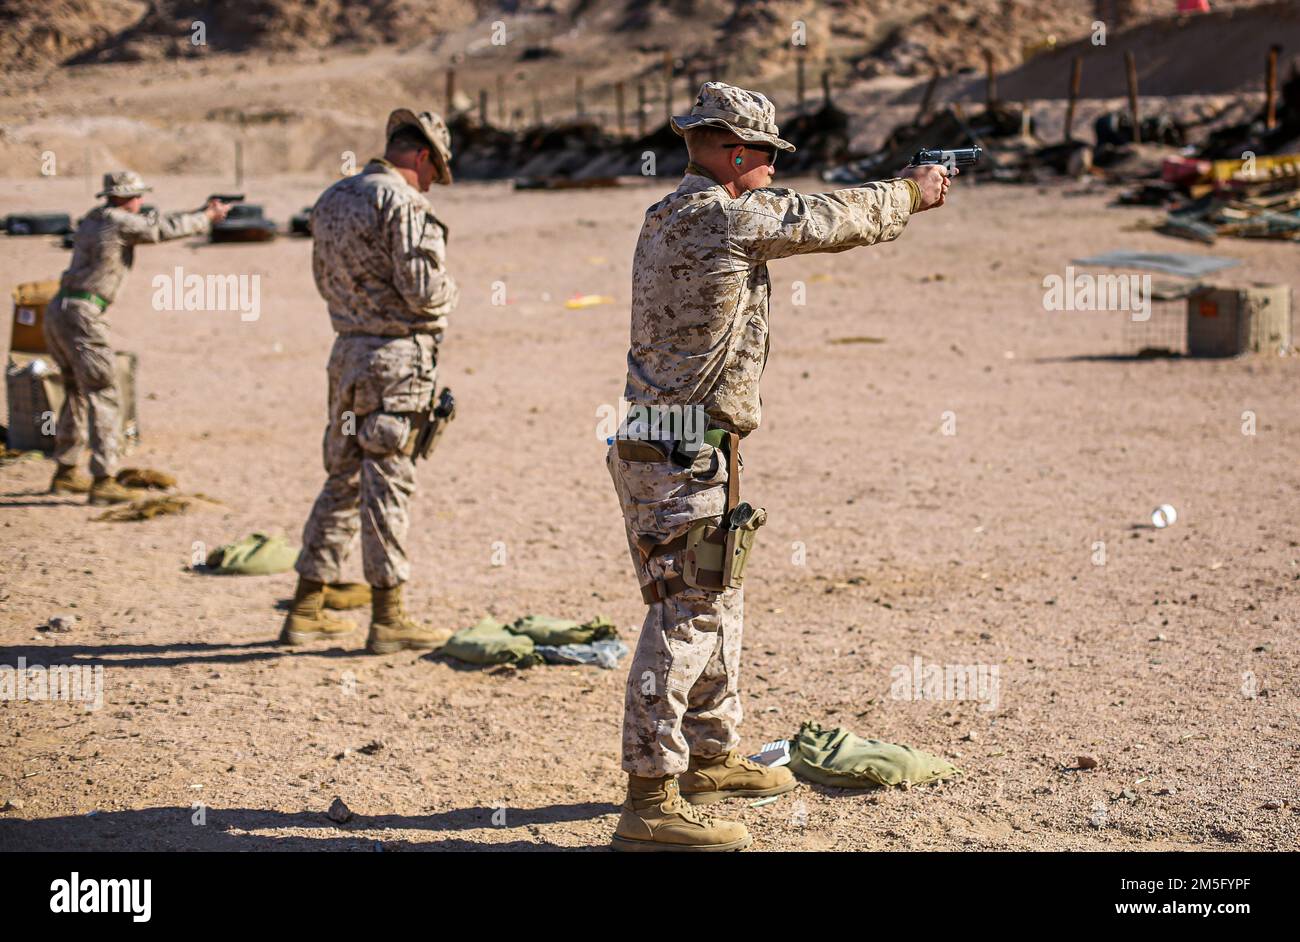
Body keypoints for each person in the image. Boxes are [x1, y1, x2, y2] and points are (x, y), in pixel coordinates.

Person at [607, 82, 953, 851]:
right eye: (766, 156)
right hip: (680, 449)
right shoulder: (723, 215)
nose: (772, 171)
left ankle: (709, 758)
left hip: (687, 444)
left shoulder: (669, 213)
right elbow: (829, 218)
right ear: (738, 153)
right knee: (687, 613)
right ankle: (649, 799)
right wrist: (908, 192)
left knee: (717, 601)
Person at [280, 109, 460, 655]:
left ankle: (306, 608)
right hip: (396, 359)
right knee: (387, 480)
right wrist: (452, 296)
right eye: (435, 172)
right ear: (422, 156)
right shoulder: (403, 203)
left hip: (347, 352)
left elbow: (322, 279)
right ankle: (389, 617)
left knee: (343, 477)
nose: (433, 184)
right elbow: (424, 291)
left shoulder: (333, 197)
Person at [45, 172, 230, 504]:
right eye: (137, 197)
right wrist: (207, 217)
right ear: (125, 197)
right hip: (84, 314)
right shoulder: (118, 222)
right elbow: (159, 230)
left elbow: (154, 222)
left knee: (75, 390)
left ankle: (67, 470)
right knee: (104, 392)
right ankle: (103, 479)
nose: (141, 202)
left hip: (61, 308)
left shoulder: (95, 218)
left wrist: (199, 211)